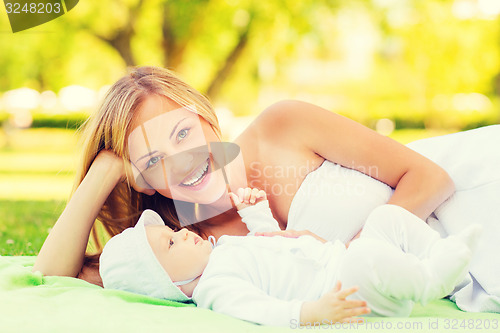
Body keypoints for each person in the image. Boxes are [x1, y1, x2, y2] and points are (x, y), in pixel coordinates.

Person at [32, 66, 500, 313]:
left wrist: (353, 252)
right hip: (457, 272)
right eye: (154, 160)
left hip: (475, 196)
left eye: (182, 133)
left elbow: (432, 179)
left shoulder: (282, 127)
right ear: (141, 180)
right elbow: (53, 274)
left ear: (204, 117)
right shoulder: (178, 250)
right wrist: (106, 168)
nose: (183, 163)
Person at [99, 187, 481, 326]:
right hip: (343, 290)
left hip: (340, 258)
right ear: (170, 284)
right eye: (170, 245)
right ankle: (430, 280)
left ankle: (436, 252)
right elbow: (261, 309)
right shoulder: (216, 288)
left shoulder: (223, 252)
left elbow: (271, 242)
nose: (182, 234)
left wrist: (256, 212)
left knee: (384, 218)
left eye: (173, 232)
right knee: (366, 259)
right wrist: (311, 313)